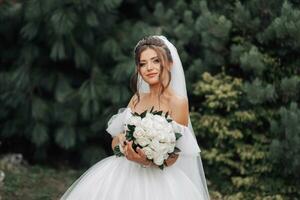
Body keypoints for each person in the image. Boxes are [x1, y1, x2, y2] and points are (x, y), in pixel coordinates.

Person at [60, 35, 210, 200]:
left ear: (169, 63)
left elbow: (174, 156)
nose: (149, 68)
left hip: (158, 181)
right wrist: (122, 143)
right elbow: (116, 143)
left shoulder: (178, 103)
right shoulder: (137, 98)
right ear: (138, 69)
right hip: (123, 173)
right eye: (143, 63)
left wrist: (147, 160)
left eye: (156, 61)